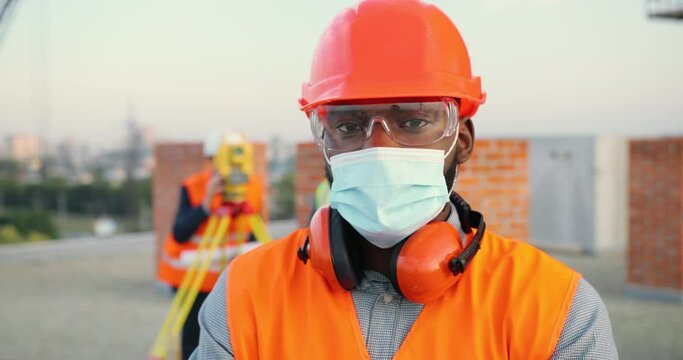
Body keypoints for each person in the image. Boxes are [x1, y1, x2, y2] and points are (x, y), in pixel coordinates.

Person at [192, 1, 618, 358]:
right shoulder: (244, 295)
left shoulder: (555, 309)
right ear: (323, 140)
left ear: (462, 140)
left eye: (413, 121)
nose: (380, 148)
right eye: (348, 126)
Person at [156, 130, 263, 360]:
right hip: (191, 275)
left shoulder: (251, 187)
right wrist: (206, 204)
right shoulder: (194, 186)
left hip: (226, 278)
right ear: (210, 160)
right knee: (193, 337)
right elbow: (180, 232)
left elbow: (251, 234)